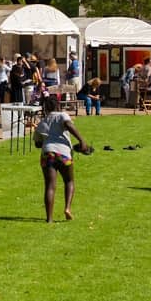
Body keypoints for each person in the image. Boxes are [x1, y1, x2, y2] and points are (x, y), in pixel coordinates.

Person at [36, 95, 93, 223]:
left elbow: (37, 144)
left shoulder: (42, 122)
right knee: (69, 181)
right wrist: (82, 140)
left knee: (50, 186)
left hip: (47, 154)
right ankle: (67, 208)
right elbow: (68, 125)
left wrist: (46, 137)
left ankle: (49, 219)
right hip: (64, 154)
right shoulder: (62, 115)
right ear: (58, 105)